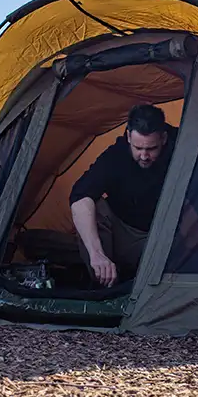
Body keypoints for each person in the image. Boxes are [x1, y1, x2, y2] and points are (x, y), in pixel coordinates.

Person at [69, 104, 178, 288]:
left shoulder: (184, 147)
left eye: (151, 149)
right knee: (93, 206)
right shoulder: (115, 156)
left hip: (163, 238)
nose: (144, 156)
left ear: (164, 138)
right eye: (138, 148)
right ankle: (104, 287)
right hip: (121, 233)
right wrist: (97, 255)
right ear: (128, 136)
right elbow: (79, 197)